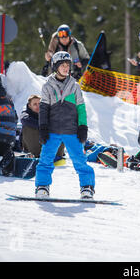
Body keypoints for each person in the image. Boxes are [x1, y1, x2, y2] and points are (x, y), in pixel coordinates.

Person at [35, 51, 95, 199]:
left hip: (72, 130)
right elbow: (43, 109)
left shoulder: (74, 86)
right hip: (52, 130)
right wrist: (43, 128)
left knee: (80, 160)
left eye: (68, 65)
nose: (66, 67)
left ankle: (87, 187)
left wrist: (83, 127)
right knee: (46, 159)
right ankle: (42, 186)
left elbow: (81, 108)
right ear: (55, 66)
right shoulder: (47, 86)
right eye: (62, 65)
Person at [20, 94, 65, 162]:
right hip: (33, 148)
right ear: (29, 106)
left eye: (39, 104)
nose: (38, 106)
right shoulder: (26, 115)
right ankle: (34, 154)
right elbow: (25, 119)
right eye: (35, 104)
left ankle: (56, 154)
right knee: (29, 127)